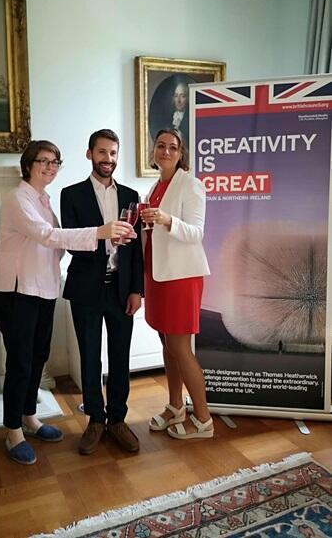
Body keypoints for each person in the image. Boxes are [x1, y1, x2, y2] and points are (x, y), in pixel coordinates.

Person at [0, 140, 134, 465]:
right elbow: (49, 236)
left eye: (55, 162)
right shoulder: (17, 199)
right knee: (20, 361)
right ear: (28, 164)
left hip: (43, 289)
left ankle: (29, 417)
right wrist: (100, 232)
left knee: (37, 356)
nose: (50, 167)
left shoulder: (43, 201)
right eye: (43, 161)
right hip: (16, 291)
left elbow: (56, 245)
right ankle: (13, 431)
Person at [60, 129, 144, 455]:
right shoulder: (71, 195)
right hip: (86, 291)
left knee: (120, 358)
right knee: (90, 358)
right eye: (102, 152)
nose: (107, 159)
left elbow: (136, 251)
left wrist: (137, 290)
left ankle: (118, 420)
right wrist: (106, 238)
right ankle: (95, 419)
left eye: (112, 153)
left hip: (121, 291)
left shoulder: (131, 195)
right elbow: (71, 243)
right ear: (89, 154)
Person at [140, 128, 213, 439]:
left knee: (180, 348)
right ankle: (174, 407)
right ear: (154, 151)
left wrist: (166, 220)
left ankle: (204, 420)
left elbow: (197, 232)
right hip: (158, 275)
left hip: (181, 277)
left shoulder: (191, 185)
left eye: (172, 147)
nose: (165, 151)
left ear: (181, 154)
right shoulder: (156, 186)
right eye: (160, 146)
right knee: (166, 345)